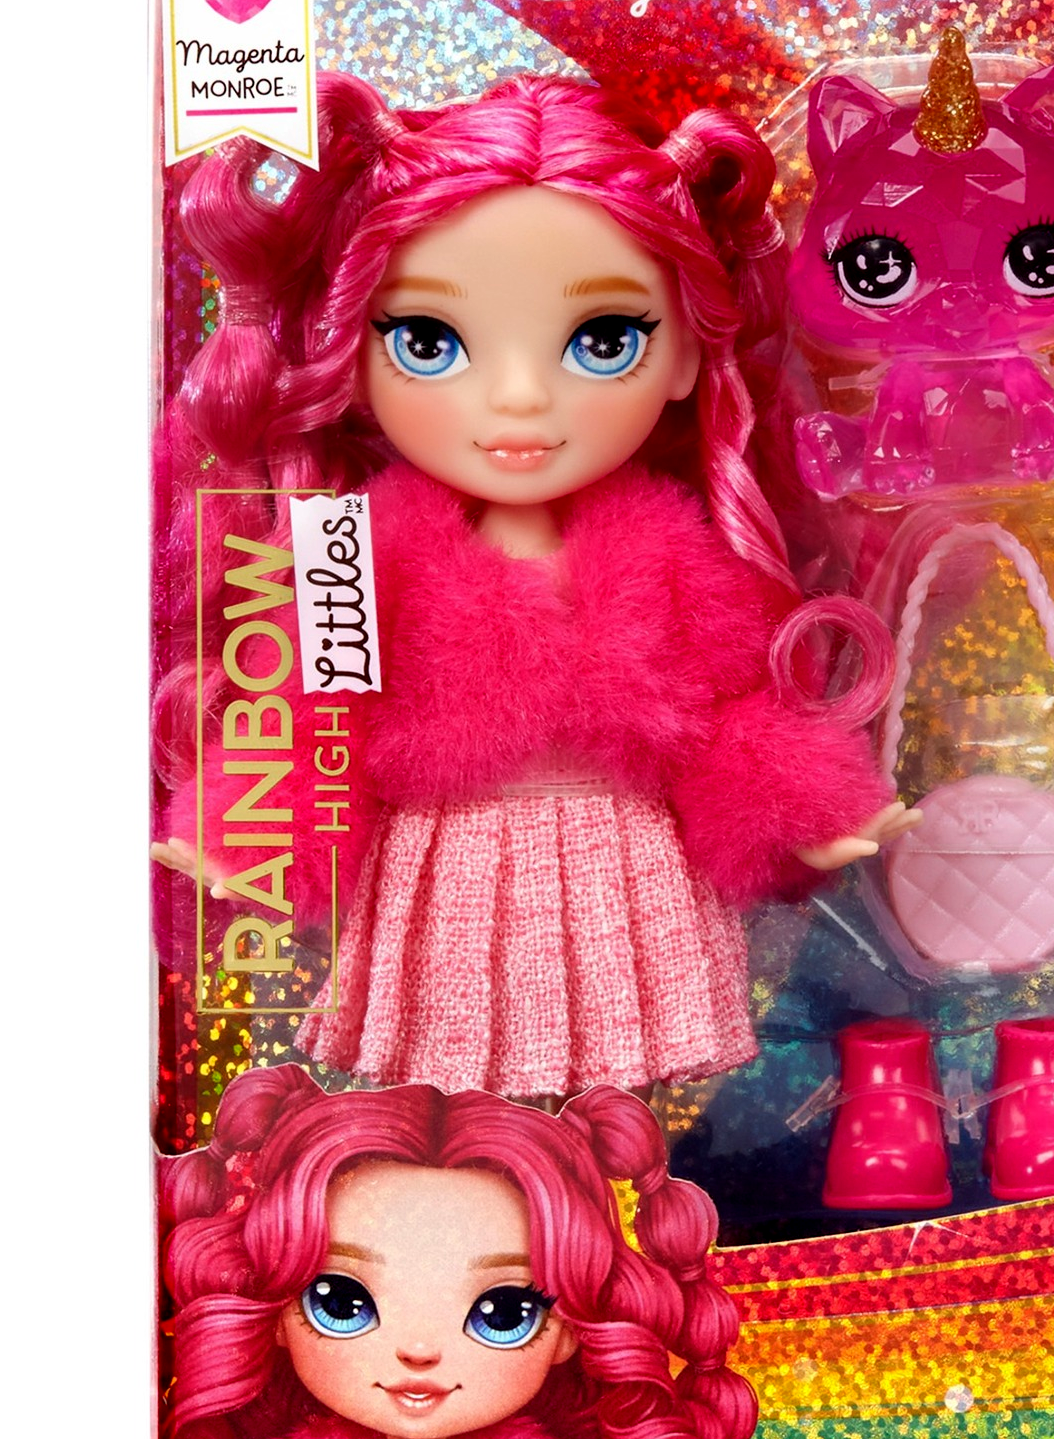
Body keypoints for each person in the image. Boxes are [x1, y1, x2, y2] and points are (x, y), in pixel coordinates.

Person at [152, 72, 911, 1103]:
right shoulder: (353, 550)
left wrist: (805, 807)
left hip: (623, 869)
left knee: (618, 1097)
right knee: (456, 1096)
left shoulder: (668, 544)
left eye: (604, 341)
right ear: (350, 354)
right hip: (443, 872)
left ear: (688, 356)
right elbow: (317, 717)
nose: (518, 398)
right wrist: (249, 828)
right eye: (429, 343)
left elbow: (730, 711)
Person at [160, 1065, 758, 1439]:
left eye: (503, 1313)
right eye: (341, 1302)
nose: (419, 1351)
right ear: (274, 1317)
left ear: (570, 1331)